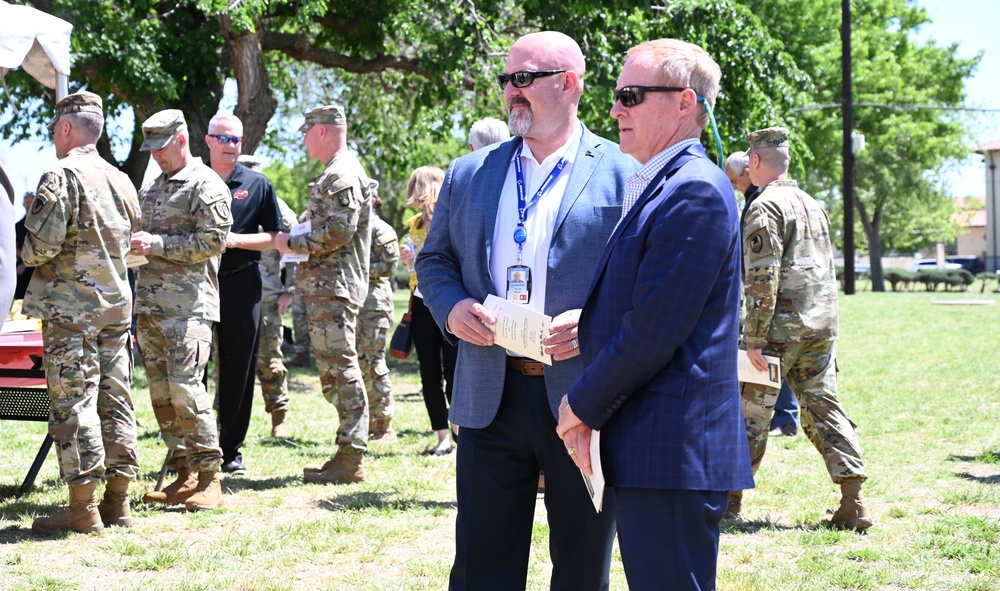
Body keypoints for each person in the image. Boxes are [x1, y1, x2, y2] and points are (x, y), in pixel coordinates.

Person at [416, 31, 638, 591]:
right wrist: (452, 307)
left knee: (582, 567)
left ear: (568, 83)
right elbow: (434, 261)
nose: (511, 93)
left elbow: (646, 281)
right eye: (506, 81)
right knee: (480, 567)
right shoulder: (470, 172)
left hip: (584, 397)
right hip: (490, 396)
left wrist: (595, 324)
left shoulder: (623, 170)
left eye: (523, 80)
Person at [554, 39, 754, 591]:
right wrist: (591, 322)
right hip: (655, 445)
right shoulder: (664, 183)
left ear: (684, 103)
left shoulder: (694, 191)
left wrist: (581, 406)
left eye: (631, 96)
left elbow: (655, 329)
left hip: (673, 450)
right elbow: (652, 305)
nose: (615, 109)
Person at [737, 126, 872, 530]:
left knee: (749, 414)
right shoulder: (813, 204)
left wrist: (753, 339)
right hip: (820, 327)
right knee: (825, 408)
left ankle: (727, 502)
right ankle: (854, 499)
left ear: (756, 162)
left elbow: (762, 279)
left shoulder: (764, 207)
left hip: (778, 332)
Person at [22, 92, 142, 534]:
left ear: (67, 128)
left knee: (76, 403)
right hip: (116, 308)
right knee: (116, 401)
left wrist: (26, 241)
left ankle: (82, 508)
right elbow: (135, 248)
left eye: (55, 129)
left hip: (71, 310)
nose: (54, 136)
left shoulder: (61, 175)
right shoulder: (122, 178)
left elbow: (41, 248)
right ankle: (118, 503)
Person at [131, 109, 232, 511]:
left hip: (189, 308)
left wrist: (155, 245)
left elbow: (213, 241)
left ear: (182, 139)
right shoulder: (153, 186)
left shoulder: (205, 185)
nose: (155, 156)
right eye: (150, 149)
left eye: (160, 148)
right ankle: (184, 472)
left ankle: (210, 477)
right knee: (161, 396)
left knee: (188, 391)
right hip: (152, 307)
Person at [276, 104, 374, 484]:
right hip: (325, 287)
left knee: (341, 368)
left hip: (334, 287)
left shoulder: (343, 175)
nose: (303, 140)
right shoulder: (334, 173)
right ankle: (346, 452)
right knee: (333, 371)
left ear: (322, 131)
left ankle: (352, 457)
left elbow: (337, 232)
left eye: (306, 131)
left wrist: (292, 240)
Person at [205, 114, 283, 475]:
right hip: (199, 284)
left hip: (241, 282)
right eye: (224, 139)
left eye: (236, 140)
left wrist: (235, 240)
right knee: (194, 367)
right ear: (208, 140)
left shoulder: (257, 184)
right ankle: (194, 446)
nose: (231, 146)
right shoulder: (193, 181)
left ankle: (230, 449)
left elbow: (276, 237)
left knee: (239, 367)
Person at [727, 150, 799, 437]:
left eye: (734, 180)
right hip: (764, 296)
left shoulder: (762, 202)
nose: (732, 186)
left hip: (770, 298)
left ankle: (784, 418)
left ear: (749, 170)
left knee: (770, 356)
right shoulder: (753, 199)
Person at [400, 166, 457, 456]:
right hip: (422, 301)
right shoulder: (414, 224)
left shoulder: (453, 214)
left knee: (455, 369)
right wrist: (408, 259)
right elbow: (413, 269)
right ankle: (443, 436)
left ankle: (458, 432)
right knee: (429, 372)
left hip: (449, 301)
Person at [247, 155, 298, 440]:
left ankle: (279, 417)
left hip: (267, 296)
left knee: (270, 360)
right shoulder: (223, 200)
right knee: (225, 361)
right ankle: (221, 419)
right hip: (230, 292)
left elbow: (296, 249)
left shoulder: (276, 206)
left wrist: (288, 290)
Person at [359, 192, 400, 444]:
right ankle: (369, 420)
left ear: (374, 200)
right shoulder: (357, 227)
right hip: (356, 302)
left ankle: (384, 425)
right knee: (359, 362)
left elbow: (388, 267)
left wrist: (357, 269)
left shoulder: (381, 229)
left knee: (373, 361)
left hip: (375, 304)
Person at [14, 191, 36, 301]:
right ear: (23, 204)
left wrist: (25, 263)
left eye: (32, 201)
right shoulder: (17, 226)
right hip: (21, 272)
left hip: (38, 268)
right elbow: (13, 247)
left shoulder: (42, 224)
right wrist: (23, 262)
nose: (29, 204)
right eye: (27, 202)